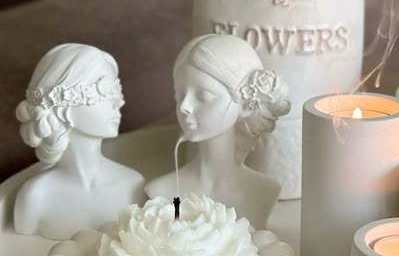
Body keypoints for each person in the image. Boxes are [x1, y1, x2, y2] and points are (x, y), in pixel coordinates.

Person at [145, 35, 290, 229]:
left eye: (203, 96)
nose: (184, 107)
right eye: (180, 95)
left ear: (245, 105)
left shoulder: (264, 191)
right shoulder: (161, 190)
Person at [14, 44, 144, 239]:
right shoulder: (34, 197)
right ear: (64, 108)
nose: (119, 101)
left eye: (117, 90)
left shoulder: (133, 185)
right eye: (105, 91)